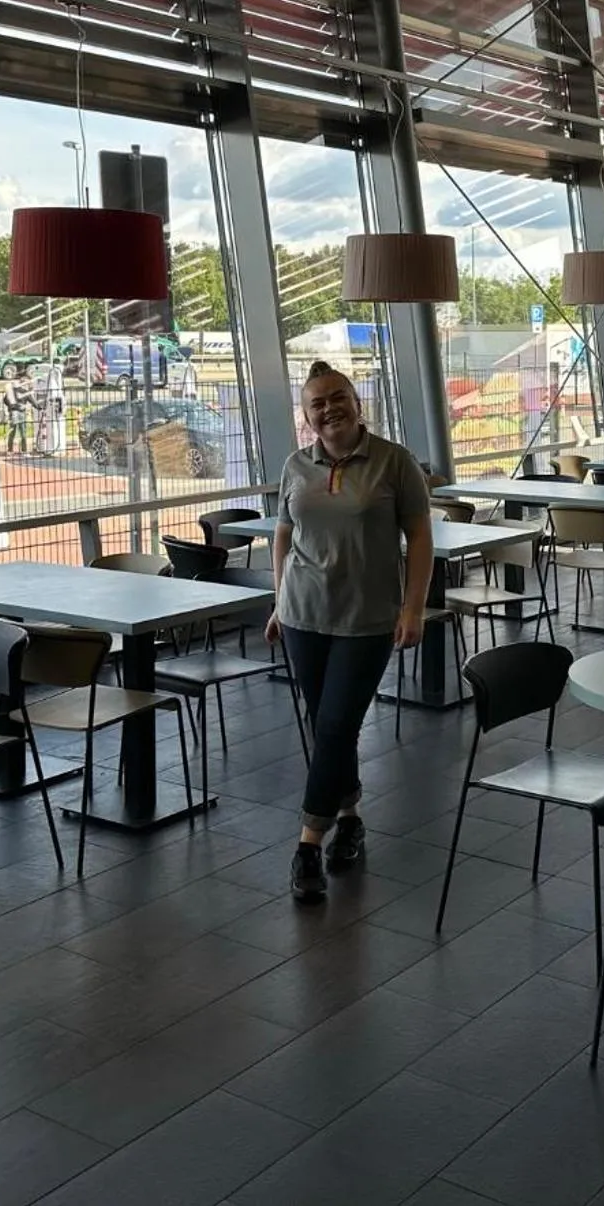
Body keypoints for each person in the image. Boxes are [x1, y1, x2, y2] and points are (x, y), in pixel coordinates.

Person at [268, 361, 432, 904]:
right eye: (317, 403)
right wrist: (278, 601)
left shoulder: (394, 462)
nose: (329, 408)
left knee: (337, 724)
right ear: (307, 416)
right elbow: (282, 537)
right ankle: (351, 818)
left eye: (337, 397)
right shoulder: (297, 466)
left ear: (357, 402)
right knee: (328, 727)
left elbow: (420, 538)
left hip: (366, 620)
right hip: (302, 616)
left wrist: (413, 609)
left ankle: (308, 844)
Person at [1, 364, 32, 454]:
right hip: (20, 413)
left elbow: (5, 400)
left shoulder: (13, 390)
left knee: (13, 431)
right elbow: (33, 402)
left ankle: (10, 450)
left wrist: (10, 407)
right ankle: (24, 450)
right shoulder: (24, 392)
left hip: (13, 412)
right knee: (22, 432)